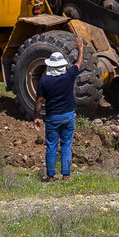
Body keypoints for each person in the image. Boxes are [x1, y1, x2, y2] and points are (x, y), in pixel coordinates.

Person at [33, 38, 84, 182]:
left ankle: (50, 176)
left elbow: (39, 101)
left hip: (53, 118)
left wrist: (36, 117)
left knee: (51, 146)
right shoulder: (69, 76)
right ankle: (66, 175)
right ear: (62, 65)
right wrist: (80, 49)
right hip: (68, 116)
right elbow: (79, 63)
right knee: (66, 146)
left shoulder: (44, 81)